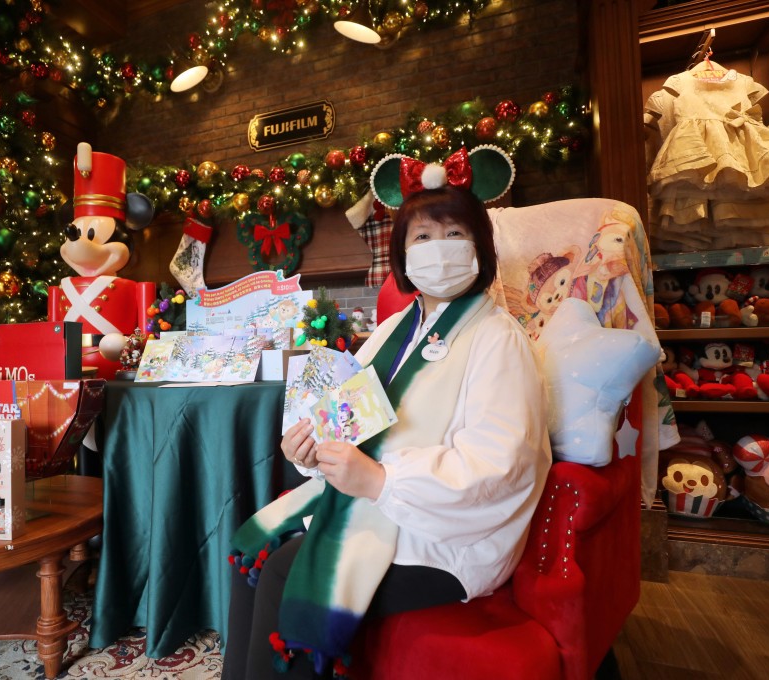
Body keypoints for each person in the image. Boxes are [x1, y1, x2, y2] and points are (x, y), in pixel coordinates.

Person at [224, 147, 552, 679]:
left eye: (454, 235)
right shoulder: (389, 333)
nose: (437, 250)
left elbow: (500, 464)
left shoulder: (498, 338)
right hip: (380, 507)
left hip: (451, 535)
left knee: (287, 568)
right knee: (260, 541)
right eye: (422, 238)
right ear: (402, 254)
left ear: (480, 248)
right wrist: (310, 451)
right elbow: (345, 424)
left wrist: (380, 481)